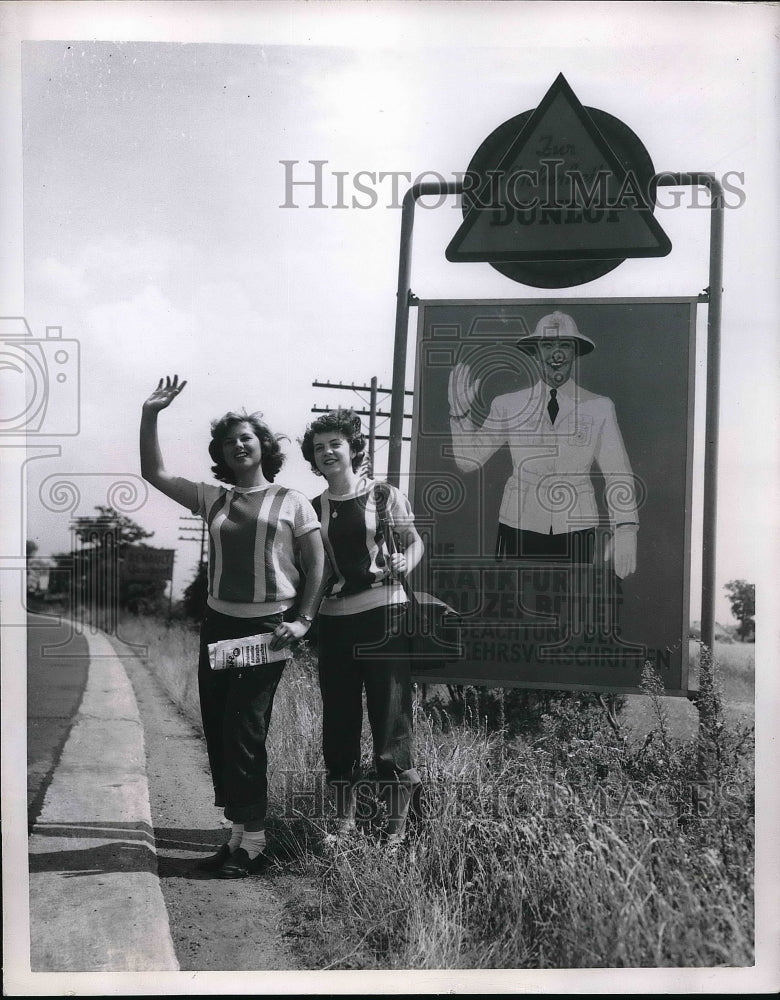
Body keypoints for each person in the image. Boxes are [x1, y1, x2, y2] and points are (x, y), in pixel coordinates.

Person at [140, 375, 327, 878]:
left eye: (246, 437)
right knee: (221, 731)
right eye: (229, 441)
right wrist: (151, 413)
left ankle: (257, 843)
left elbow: (318, 567)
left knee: (245, 730)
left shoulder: (293, 500)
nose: (238, 445)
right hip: (219, 627)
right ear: (222, 454)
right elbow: (154, 472)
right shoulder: (213, 499)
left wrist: (303, 621)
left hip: (268, 630)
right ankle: (237, 837)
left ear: (263, 446)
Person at [300, 408, 424, 848]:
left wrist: (405, 560)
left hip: (384, 615)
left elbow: (414, 542)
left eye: (335, 443)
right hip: (334, 622)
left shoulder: (384, 496)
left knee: (391, 720)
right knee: (339, 722)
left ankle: (396, 830)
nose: (328, 452)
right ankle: (344, 825)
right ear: (313, 461)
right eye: (319, 448)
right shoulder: (310, 509)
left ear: (354, 448)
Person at [448, 310, 639, 575]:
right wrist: (460, 414)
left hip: (576, 526)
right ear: (536, 352)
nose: (556, 354)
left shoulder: (598, 407)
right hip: (519, 523)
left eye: (564, 345)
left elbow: (617, 472)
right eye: (548, 345)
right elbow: (467, 461)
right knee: (514, 608)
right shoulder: (508, 405)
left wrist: (626, 528)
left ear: (575, 353)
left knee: (574, 608)